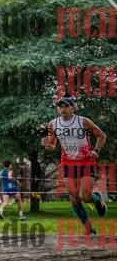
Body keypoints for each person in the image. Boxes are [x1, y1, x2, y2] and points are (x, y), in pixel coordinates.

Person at [43, 95, 107, 234]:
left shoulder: (83, 121)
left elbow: (101, 136)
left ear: (73, 108)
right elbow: (52, 145)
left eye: (66, 106)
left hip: (86, 161)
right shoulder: (52, 124)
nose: (63, 109)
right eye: (60, 106)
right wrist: (47, 145)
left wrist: (96, 151)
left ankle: (97, 199)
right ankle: (88, 228)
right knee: (74, 197)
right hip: (68, 162)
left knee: (85, 196)